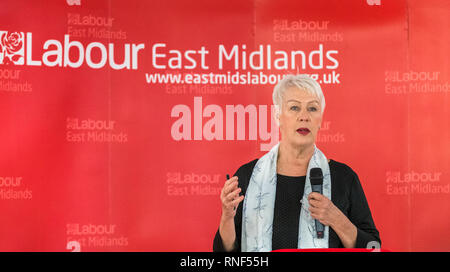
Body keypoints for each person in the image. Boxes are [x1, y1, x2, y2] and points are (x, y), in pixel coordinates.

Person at [213, 74, 381, 252]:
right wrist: (227, 217)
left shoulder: (343, 177)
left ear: (320, 120)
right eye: (294, 107)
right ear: (278, 116)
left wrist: (336, 218)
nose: (304, 116)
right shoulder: (249, 175)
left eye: (312, 109)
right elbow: (226, 254)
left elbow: (373, 247)